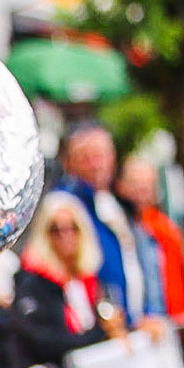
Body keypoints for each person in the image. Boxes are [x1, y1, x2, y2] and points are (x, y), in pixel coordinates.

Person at [7, 193, 157, 368]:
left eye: (73, 228)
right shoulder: (33, 283)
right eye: (56, 229)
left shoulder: (90, 280)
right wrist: (102, 335)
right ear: (44, 233)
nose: (66, 236)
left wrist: (129, 329)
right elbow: (43, 342)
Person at [53, 124, 145, 320]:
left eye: (100, 155)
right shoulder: (67, 204)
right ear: (70, 163)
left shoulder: (119, 201)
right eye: (86, 158)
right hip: (98, 319)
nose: (95, 164)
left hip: (131, 318)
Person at [117, 158, 184, 318]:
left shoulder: (165, 227)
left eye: (147, 184)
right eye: (135, 183)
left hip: (171, 320)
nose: (142, 189)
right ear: (120, 185)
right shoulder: (117, 225)